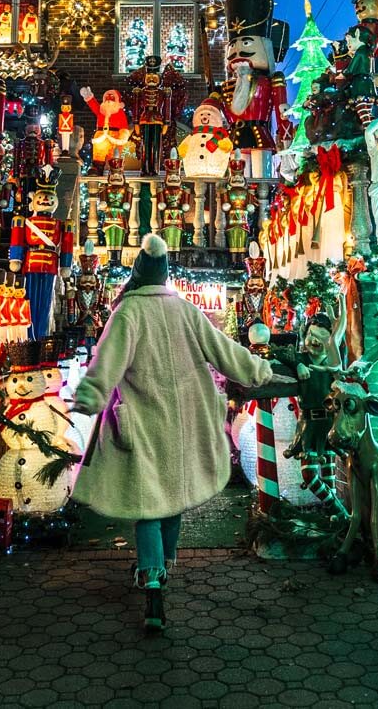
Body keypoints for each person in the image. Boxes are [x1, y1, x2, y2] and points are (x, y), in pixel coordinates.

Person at [71, 232, 287, 632]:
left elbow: (106, 364)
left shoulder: (128, 314)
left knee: (147, 502)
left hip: (141, 424)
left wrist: (90, 396)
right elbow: (227, 353)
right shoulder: (186, 311)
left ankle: (152, 575)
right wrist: (263, 372)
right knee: (171, 498)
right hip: (184, 423)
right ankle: (165, 564)